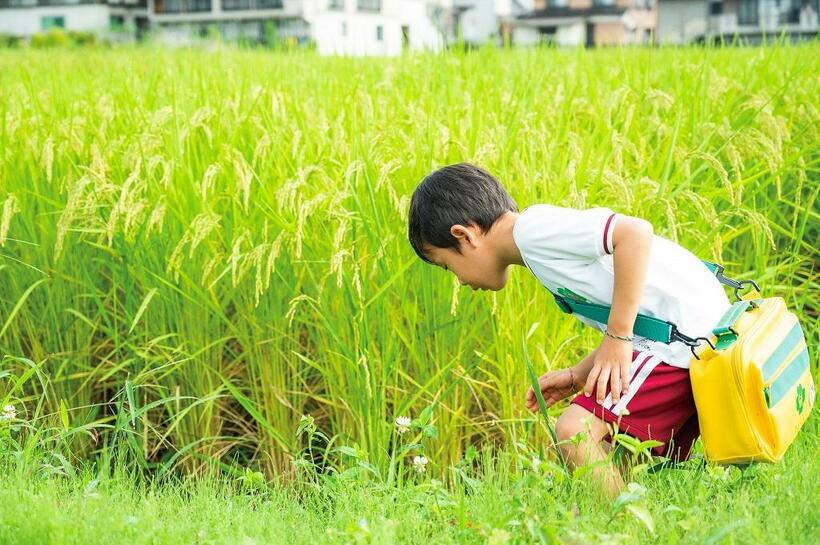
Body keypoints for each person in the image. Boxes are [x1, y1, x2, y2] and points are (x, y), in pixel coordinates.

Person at [407, 163, 730, 498]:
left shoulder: (533, 231)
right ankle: (601, 527)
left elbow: (633, 233)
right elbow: (645, 314)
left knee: (575, 431)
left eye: (448, 266)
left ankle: (626, 532)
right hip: (681, 336)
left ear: (465, 235)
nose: (459, 280)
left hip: (686, 340)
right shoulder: (534, 249)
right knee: (606, 453)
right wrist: (579, 374)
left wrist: (617, 336)